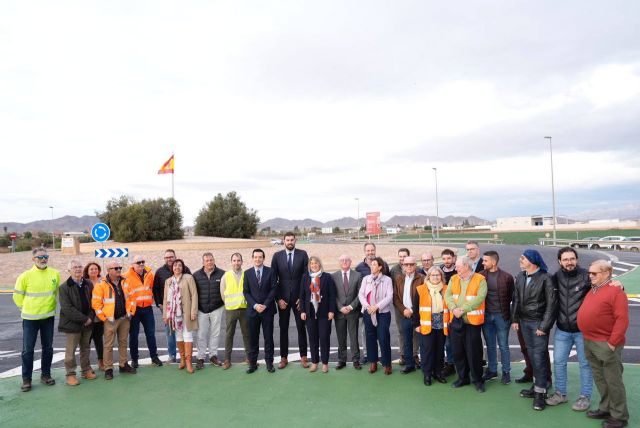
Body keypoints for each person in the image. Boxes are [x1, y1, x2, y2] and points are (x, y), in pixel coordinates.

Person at [578, 260, 629, 428]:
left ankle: (619, 416)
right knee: (600, 379)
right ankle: (606, 408)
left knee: (613, 380)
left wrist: (613, 343)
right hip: (590, 341)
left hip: (606, 344)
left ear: (606, 273)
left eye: (594, 273)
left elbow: (622, 319)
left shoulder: (616, 291)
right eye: (589, 273)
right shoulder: (594, 290)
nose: (590, 276)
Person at [546, 247, 592, 411]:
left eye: (572, 259)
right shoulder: (555, 277)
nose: (569, 262)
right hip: (562, 330)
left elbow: (603, 286)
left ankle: (585, 397)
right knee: (558, 362)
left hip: (582, 330)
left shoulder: (587, 276)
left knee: (585, 364)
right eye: (565, 259)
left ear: (577, 259)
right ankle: (560, 394)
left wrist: (618, 285)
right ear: (560, 262)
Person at [511, 249, 557, 411]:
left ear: (532, 260)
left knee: (538, 357)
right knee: (532, 355)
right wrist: (515, 319)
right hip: (523, 322)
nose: (520, 260)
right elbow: (516, 299)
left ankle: (540, 393)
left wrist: (543, 326)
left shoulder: (546, 278)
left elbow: (552, 305)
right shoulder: (521, 276)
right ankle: (539, 384)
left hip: (537, 324)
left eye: (523, 258)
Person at [13, 247, 60, 392]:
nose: (43, 259)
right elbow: (17, 297)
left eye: (45, 256)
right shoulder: (25, 276)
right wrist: (26, 309)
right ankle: (26, 379)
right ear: (33, 259)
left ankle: (46, 375)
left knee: (48, 348)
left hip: (48, 318)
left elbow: (57, 293)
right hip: (30, 319)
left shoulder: (55, 274)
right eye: (40, 257)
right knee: (28, 350)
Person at [445, 256, 487, 393]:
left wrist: (462, 309)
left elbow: (480, 298)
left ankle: (478, 380)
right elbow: (448, 295)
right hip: (456, 321)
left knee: (474, 352)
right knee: (458, 351)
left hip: (472, 322)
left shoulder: (480, 279)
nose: (455, 268)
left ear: (466, 266)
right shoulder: (453, 279)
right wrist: (453, 309)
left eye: (458, 266)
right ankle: (463, 378)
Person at [91, 260, 137, 380]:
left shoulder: (126, 281)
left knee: (123, 342)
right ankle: (108, 369)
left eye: (119, 268)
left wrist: (131, 312)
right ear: (108, 271)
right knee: (108, 345)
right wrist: (104, 318)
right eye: (116, 268)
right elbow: (96, 304)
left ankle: (123, 364)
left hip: (124, 318)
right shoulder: (101, 284)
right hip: (110, 320)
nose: (118, 270)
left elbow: (132, 298)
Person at [271, 232, 309, 369]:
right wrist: (278, 299)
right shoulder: (277, 256)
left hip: (299, 300)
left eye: (292, 240)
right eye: (287, 240)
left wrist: (302, 297)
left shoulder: (303, 254)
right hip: (283, 300)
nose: (290, 242)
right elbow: (273, 280)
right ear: (284, 241)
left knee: (301, 328)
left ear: (295, 240)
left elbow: (306, 277)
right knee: (283, 329)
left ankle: (303, 357)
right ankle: (283, 358)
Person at [58, 259, 97, 386]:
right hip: (72, 324)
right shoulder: (64, 287)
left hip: (88, 322)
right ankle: (70, 374)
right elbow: (67, 308)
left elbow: (93, 302)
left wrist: (90, 317)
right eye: (75, 267)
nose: (78, 269)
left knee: (85, 348)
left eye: (80, 267)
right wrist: (84, 319)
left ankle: (86, 370)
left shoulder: (88, 284)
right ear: (69, 270)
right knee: (71, 351)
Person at [479, 250, 514, 385]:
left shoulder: (507, 277)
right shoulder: (480, 276)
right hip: (486, 317)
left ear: (493, 262)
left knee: (503, 345)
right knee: (490, 345)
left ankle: (506, 372)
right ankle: (492, 370)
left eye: (485, 260)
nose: (483, 263)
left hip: (502, 316)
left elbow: (512, 297)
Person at [153, 249, 191, 363]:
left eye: (171, 257)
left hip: (183, 308)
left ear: (175, 257)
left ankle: (185, 356)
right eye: (167, 257)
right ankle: (172, 355)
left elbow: (191, 286)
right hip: (168, 308)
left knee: (184, 331)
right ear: (164, 259)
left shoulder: (185, 269)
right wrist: (159, 303)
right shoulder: (160, 272)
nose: (169, 259)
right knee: (170, 331)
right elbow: (155, 289)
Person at [299, 256, 337, 373]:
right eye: (311, 263)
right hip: (310, 313)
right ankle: (315, 362)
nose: (314, 265)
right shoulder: (305, 277)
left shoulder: (327, 277)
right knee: (313, 338)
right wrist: (303, 311)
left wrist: (331, 310)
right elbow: (302, 295)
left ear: (319, 264)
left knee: (324, 337)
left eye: (316, 263)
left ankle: (325, 363)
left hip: (324, 313)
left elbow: (332, 295)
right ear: (309, 266)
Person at [124, 255, 162, 368]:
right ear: (133, 265)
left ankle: (154, 357)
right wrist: (128, 310)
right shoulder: (125, 276)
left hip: (147, 309)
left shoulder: (150, 274)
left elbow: (153, 289)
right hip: (134, 310)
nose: (141, 264)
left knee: (150, 334)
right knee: (134, 335)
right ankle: (134, 359)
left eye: (143, 262)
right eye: (138, 262)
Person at [413, 266, 449, 386]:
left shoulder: (446, 289)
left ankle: (438, 373)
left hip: (441, 323)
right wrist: (416, 324)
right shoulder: (420, 289)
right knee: (427, 350)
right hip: (426, 324)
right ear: (428, 277)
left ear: (441, 276)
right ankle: (427, 374)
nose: (435, 277)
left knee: (439, 350)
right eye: (433, 275)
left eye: (438, 275)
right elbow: (416, 309)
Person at [243, 249, 277, 374]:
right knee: (253, 338)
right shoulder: (247, 273)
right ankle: (253, 364)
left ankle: (269, 363)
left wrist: (265, 305)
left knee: (268, 338)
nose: (258, 259)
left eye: (260, 257)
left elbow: (274, 289)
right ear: (252, 258)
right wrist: (255, 305)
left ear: (263, 258)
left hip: (267, 311)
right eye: (255, 257)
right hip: (253, 311)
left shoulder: (271, 271)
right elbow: (246, 292)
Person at [355, 242, 389, 363]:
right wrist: (367, 306)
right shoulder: (359, 267)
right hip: (367, 308)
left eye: (372, 250)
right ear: (365, 252)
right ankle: (367, 355)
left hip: (381, 308)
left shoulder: (383, 265)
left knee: (381, 333)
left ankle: (379, 356)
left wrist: (378, 306)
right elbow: (359, 290)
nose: (370, 252)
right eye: (368, 251)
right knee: (366, 333)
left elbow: (387, 284)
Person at [358, 257, 393, 375]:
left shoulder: (387, 280)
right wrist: (368, 307)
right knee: (370, 337)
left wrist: (377, 307)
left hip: (382, 313)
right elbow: (361, 295)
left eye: (374, 264)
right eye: (371, 265)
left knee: (383, 337)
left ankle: (387, 364)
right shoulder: (366, 279)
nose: (371, 266)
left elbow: (389, 296)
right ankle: (373, 362)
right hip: (368, 312)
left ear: (380, 267)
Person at [163, 259, 199, 374]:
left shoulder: (188, 278)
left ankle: (188, 361)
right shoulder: (168, 281)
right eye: (175, 265)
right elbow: (165, 299)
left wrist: (193, 312)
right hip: (174, 315)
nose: (177, 267)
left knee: (188, 336)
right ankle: (182, 359)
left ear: (182, 267)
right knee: (178, 336)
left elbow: (194, 294)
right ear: (172, 268)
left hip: (187, 313)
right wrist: (165, 315)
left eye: (179, 265)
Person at [193, 252, 225, 369]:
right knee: (201, 334)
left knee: (215, 333)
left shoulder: (222, 274)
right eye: (207, 260)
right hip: (202, 309)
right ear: (203, 262)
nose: (209, 262)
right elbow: (193, 293)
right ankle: (200, 357)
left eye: (211, 260)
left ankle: (213, 356)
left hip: (217, 308)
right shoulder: (196, 275)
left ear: (214, 260)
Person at [331, 255, 362, 370]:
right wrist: (340, 307)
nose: (344, 262)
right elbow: (332, 294)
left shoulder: (358, 275)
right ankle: (342, 360)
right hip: (339, 312)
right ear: (339, 262)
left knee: (354, 337)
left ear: (350, 262)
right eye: (342, 260)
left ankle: (356, 360)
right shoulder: (333, 276)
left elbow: (360, 294)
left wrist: (350, 306)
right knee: (341, 337)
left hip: (352, 312)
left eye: (347, 260)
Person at [393, 256, 424, 373]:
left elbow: (424, 298)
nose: (409, 266)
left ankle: (425, 365)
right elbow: (395, 298)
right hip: (405, 315)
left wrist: (412, 310)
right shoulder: (399, 279)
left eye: (411, 264)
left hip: (418, 315)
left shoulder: (422, 278)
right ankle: (410, 365)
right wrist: (403, 310)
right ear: (403, 266)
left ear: (415, 265)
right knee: (407, 341)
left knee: (422, 342)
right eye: (406, 264)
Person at [220, 253, 250, 370]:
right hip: (231, 310)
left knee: (247, 335)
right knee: (229, 335)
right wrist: (228, 304)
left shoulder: (246, 274)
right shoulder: (226, 276)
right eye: (234, 260)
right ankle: (227, 360)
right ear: (231, 262)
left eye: (238, 260)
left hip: (244, 309)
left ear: (242, 262)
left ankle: (249, 357)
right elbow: (222, 293)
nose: (236, 262)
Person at [83, 262, 104, 371]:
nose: (94, 271)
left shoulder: (103, 281)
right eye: (91, 269)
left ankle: (101, 362)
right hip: (88, 316)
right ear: (87, 271)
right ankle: (87, 365)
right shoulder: (84, 282)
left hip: (100, 316)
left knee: (99, 339)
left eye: (96, 269)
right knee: (87, 341)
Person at [440, 248, 457, 376]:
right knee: (448, 342)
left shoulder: (458, 271)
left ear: (453, 258)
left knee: (459, 341)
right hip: (443, 313)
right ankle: (450, 363)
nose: (446, 261)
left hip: (457, 312)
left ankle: (461, 364)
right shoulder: (439, 273)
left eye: (449, 258)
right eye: (444, 259)